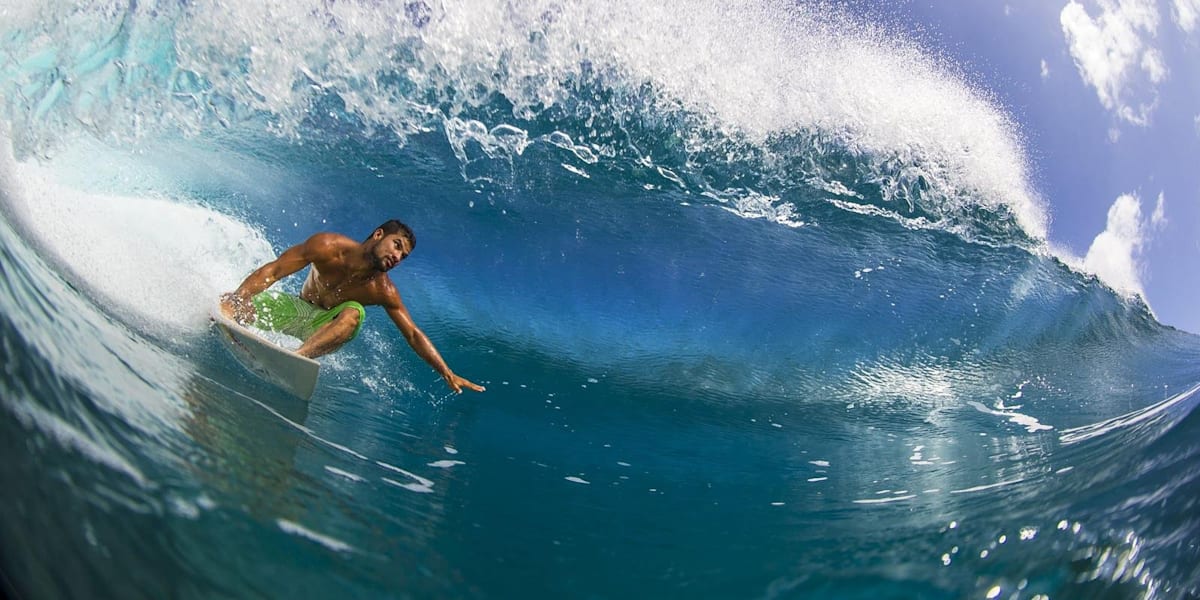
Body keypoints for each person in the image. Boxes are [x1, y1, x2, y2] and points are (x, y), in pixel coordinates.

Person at [220, 219, 485, 394]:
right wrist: (239, 298)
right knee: (229, 303)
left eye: (403, 256)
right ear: (378, 234)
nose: (397, 257)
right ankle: (228, 320)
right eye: (397, 246)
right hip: (297, 310)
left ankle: (298, 357)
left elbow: (413, 334)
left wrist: (447, 372)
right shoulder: (328, 247)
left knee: (354, 312)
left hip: (323, 328)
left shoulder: (383, 289)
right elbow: (275, 271)